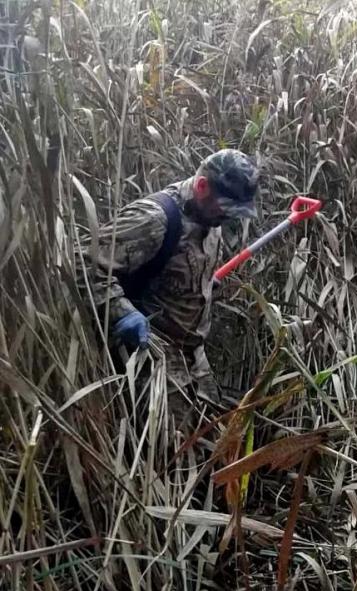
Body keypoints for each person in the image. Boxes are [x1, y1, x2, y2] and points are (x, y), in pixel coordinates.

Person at [77, 149, 260, 420]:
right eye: (225, 209)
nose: (229, 218)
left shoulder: (210, 218)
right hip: (155, 350)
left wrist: (204, 284)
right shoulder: (154, 218)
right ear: (201, 187)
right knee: (174, 444)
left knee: (214, 429)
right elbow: (82, 261)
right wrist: (122, 311)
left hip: (194, 353)